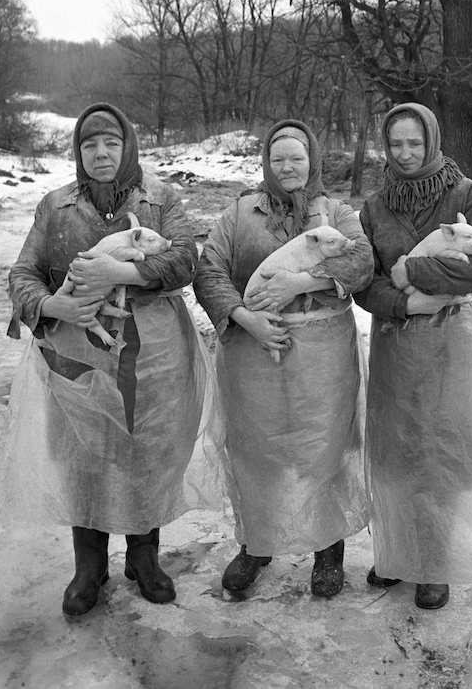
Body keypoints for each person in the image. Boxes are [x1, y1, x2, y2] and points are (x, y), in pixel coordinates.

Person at [0, 103, 211, 616]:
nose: (100, 153)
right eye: (90, 144)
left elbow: (185, 258)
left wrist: (125, 275)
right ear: (78, 151)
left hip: (154, 350)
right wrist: (53, 304)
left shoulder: (159, 199)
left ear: (128, 146)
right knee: (83, 455)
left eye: (111, 143)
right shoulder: (55, 206)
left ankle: (143, 556)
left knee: (148, 450)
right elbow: (23, 274)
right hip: (76, 350)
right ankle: (89, 567)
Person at [354, 103, 472, 609]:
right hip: (397, 341)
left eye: (415, 142)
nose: (406, 153)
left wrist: (413, 275)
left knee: (443, 453)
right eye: (396, 144)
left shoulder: (466, 193)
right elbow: (363, 282)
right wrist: (402, 301)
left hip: (454, 341)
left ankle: (434, 562)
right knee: (398, 453)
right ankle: (397, 553)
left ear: (432, 141)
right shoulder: (374, 208)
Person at [193, 119, 374, 598]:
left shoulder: (335, 211)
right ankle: (258, 541)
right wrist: (243, 317)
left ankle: (327, 549)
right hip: (254, 351)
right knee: (257, 448)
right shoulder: (238, 214)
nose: (288, 166)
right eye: (278, 159)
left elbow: (362, 263)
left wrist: (305, 282)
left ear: (312, 160)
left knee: (325, 446)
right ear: (266, 164)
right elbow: (208, 271)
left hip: (324, 352)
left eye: (297, 157)